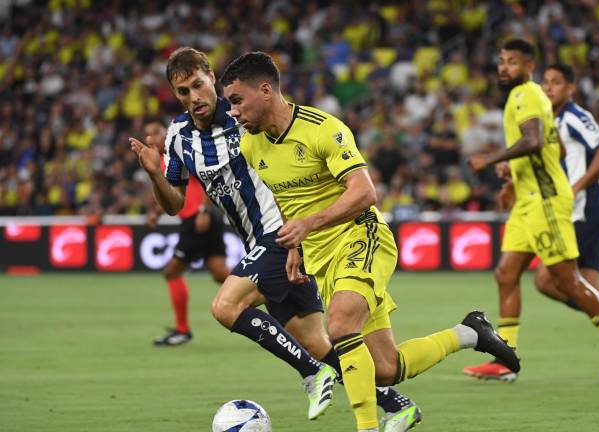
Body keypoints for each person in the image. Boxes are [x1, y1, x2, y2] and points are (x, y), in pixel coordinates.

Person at [222, 51, 520, 432]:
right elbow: (284, 197)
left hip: (361, 236)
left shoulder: (322, 129)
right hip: (322, 258)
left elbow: (365, 192)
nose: (233, 111)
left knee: (340, 324)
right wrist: (293, 245)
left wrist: (309, 224)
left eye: (237, 100)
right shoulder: (252, 146)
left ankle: (366, 427)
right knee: (384, 369)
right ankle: (470, 332)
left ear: (265, 90)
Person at [130, 47, 419, 429]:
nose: (193, 97)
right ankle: (396, 404)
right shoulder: (179, 136)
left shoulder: (245, 114)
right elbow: (174, 203)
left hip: (280, 232)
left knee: (225, 306)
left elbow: (290, 135)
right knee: (319, 345)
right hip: (265, 245)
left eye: (198, 85)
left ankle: (311, 373)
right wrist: (155, 174)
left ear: (211, 78)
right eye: (183, 91)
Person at [465, 39, 599, 385]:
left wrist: (490, 159)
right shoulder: (530, 98)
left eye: (512, 62)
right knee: (506, 274)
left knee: (565, 280)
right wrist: (513, 172)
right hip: (527, 201)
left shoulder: (527, 94)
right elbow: (555, 146)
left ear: (528, 66)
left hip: (546, 201)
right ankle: (506, 357)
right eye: (501, 61)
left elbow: (534, 141)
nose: (504, 67)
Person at [142, 116, 229, 346]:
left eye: (155, 132)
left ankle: (182, 330)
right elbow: (171, 193)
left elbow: (207, 177)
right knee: (220, 274)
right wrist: (156, 213)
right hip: (201, 219)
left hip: (198, 218)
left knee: (171, 272)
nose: (151, 137)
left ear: (165, 132)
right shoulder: (160, 160)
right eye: (147, 134)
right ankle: (275, 298)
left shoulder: (179, 149)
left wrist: (203, 210)